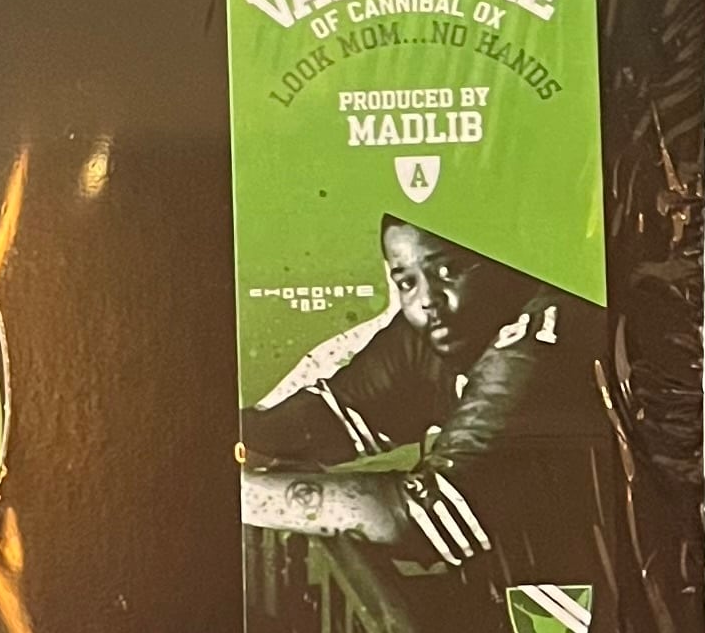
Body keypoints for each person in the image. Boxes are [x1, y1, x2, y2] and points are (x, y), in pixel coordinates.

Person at [238, 216, 603, 575]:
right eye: (407, 282)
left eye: (448, 271)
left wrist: (241, 496)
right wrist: (229, 438)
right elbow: (331, 415)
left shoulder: (540, 345)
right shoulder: (443, 331)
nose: (427, 299)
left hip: (605, 584)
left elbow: (424, 515)